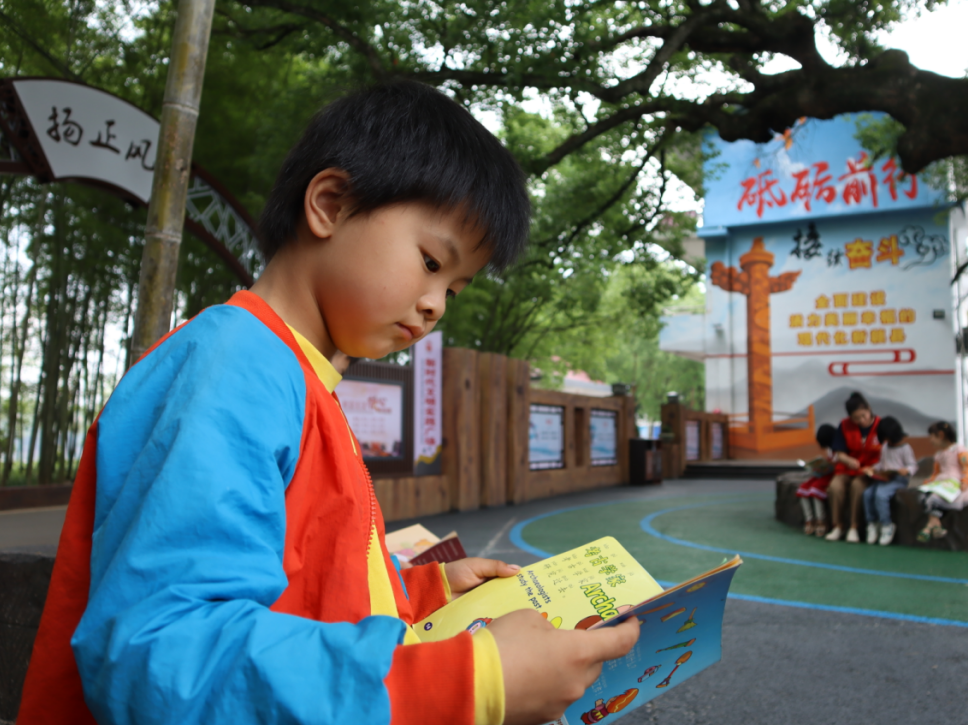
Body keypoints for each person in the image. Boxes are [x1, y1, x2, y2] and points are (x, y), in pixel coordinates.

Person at [17, 82, 639, 725]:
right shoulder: (235, 366)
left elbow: (307, 587)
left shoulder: (296, 379)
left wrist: (422, 592)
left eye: (454, 289)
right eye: (431, 262)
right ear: (331, 205)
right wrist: (466, 680)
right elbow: (165, 653)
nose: (435, 305)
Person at [824, 391, 882, 543]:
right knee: (835, 487)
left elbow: (886, 453)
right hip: (847, 469)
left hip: (868, 471)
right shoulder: (844, 425)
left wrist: (873, 468)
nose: (861, 420)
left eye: (864, 415)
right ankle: (838, 526)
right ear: (850, 417)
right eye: (856, 418)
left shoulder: (881, 425)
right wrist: (848, 460)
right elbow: (839, 453)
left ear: (869, 409)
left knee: (857, 487)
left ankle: (854, 527)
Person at [917, 421, 968, 541]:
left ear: (941, 435)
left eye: (932, 437)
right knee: (923, 496)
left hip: (954, 482)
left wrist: (966, 480)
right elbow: (936, 472)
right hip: (941, 481)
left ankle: (930, 526)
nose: (930, 440)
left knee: (934, 498)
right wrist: (930, 481)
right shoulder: (938, 455)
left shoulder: (959, 450)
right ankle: (936, 526)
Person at [861, 416, 917, 546]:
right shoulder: (885, 447)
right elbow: (882, 463)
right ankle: (872, 523)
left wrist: (906, 470)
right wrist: (873, 468)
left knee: (881, 495)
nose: (887, 441)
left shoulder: (905, 448)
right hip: (885, 478)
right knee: (867, 494)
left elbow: (913, 465)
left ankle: (886, 525)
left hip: (899, 479)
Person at [795, 424, 837, 537]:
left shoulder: (839, 446)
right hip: (824, 474)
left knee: (815, 489)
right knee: (803, 487)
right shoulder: (830, 449)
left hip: (834, 475)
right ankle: (809, 519)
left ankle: (821, 520)